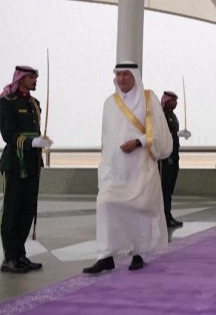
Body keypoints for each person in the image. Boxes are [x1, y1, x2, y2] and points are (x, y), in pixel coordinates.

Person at [83, 62, 173, 274]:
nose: (122, 78)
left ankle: (138, 253)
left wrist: (139, 142)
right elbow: (106, 137)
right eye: (119, 74)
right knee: (105, 204)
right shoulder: (109, 103)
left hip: (140, 167)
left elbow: (160, 133)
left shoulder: (148, 99)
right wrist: (104, 167)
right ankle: (106, 255)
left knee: (139, 209)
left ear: (135, 76)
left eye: (126, 74)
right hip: (114, 171)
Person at [0, 65, 53, 274]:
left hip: (32, 164)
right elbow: (8, 135)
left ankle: (20, 254)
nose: (35, 80)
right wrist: (31, 142)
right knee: (12, 211)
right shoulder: (7, 102)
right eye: (31, 77)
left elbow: (34, 130)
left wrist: (41, 141)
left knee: (27, 211)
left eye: (36, 77)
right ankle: (9, 258)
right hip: (15, 164)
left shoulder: (34, 103)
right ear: (21, 78)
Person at [159, 91, 191, 228]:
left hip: (174, 155)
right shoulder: (161, 116)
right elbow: (161, 134)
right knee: (164, 188)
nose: (176, 103)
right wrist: (177, 134)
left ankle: (168, 215)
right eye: (173, 100)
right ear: (166, 101)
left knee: (170, 188)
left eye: (176, 101)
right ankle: (164, 217)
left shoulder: (173, 116)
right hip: (165, 157)